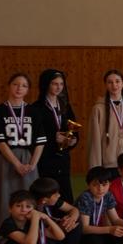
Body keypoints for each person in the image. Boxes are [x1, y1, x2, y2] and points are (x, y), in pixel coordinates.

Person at [0, 72, 46, 227]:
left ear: (28, 90)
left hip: (28, 159)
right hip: (5, 159)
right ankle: (4, 231)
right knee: (5, 195)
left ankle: (30, 231)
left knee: (29, 196)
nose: (19, 88)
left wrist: (33, 164)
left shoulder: (34, 112)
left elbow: (40, 142)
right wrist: (16, 164)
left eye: (24, 86)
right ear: (9, 86)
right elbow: (0, 141)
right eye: (15, 84)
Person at [87, 69, 123, 177]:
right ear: (106, 85)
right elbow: (94, 140)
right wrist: (95, 167)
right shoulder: (98, 109)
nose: (114, 85)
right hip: (108, 164)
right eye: (110, 82)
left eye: (117, 81)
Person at [75, 166, 123, 244]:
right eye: (95, 185)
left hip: (99, 233)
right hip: (83, 237)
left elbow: (115, 220)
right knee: (95, 240)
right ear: (88, 185)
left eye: (104, 184)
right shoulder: (85, 198)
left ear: (110, 184)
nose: (100, 189)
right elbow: (84, 228)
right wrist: (110, 230)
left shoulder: (108, 195)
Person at [34, 69, 78, 201]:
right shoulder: (36, 108)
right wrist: (53, 138)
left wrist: (73, 140)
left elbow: (74, 129)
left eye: (61, 84)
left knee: (64, 194)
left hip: (63, 159)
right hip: (45, 159)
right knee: (46, 194)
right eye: (54, 84)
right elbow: (35, 135)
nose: (58, 87)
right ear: (46, 84)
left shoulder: (66, 106)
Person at [29, 176, 83, 244]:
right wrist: (61, 226)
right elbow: (50, 235)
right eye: (56, 194)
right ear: (44, 200)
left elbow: (74, 209)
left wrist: (71, 219)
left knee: (76, 223)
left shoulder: (49, 201)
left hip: (52, 236)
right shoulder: (31, 210)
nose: (59, 195)